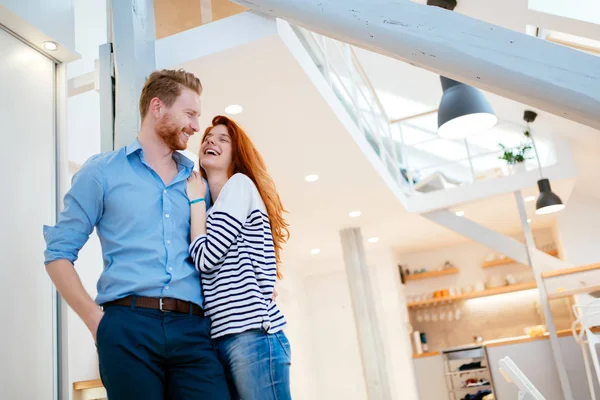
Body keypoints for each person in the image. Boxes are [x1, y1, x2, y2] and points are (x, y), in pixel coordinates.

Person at [43, 69, 230, 399]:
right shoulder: (102, 172)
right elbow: (58, 254)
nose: (196, 127)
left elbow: (219, 246)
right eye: (189, 114)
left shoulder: (196, 180)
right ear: (157, 107)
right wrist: (96, 323)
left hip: (193, 330)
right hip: (127, 328)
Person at [186, 115, 292, 399]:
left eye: (223, 139)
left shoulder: (239, 185)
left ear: (236, 154)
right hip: (227, 337)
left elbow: (206, 259)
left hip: (251, 336)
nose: (211, 141)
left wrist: (195, 200)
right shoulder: (214, 208)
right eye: (208, 137)